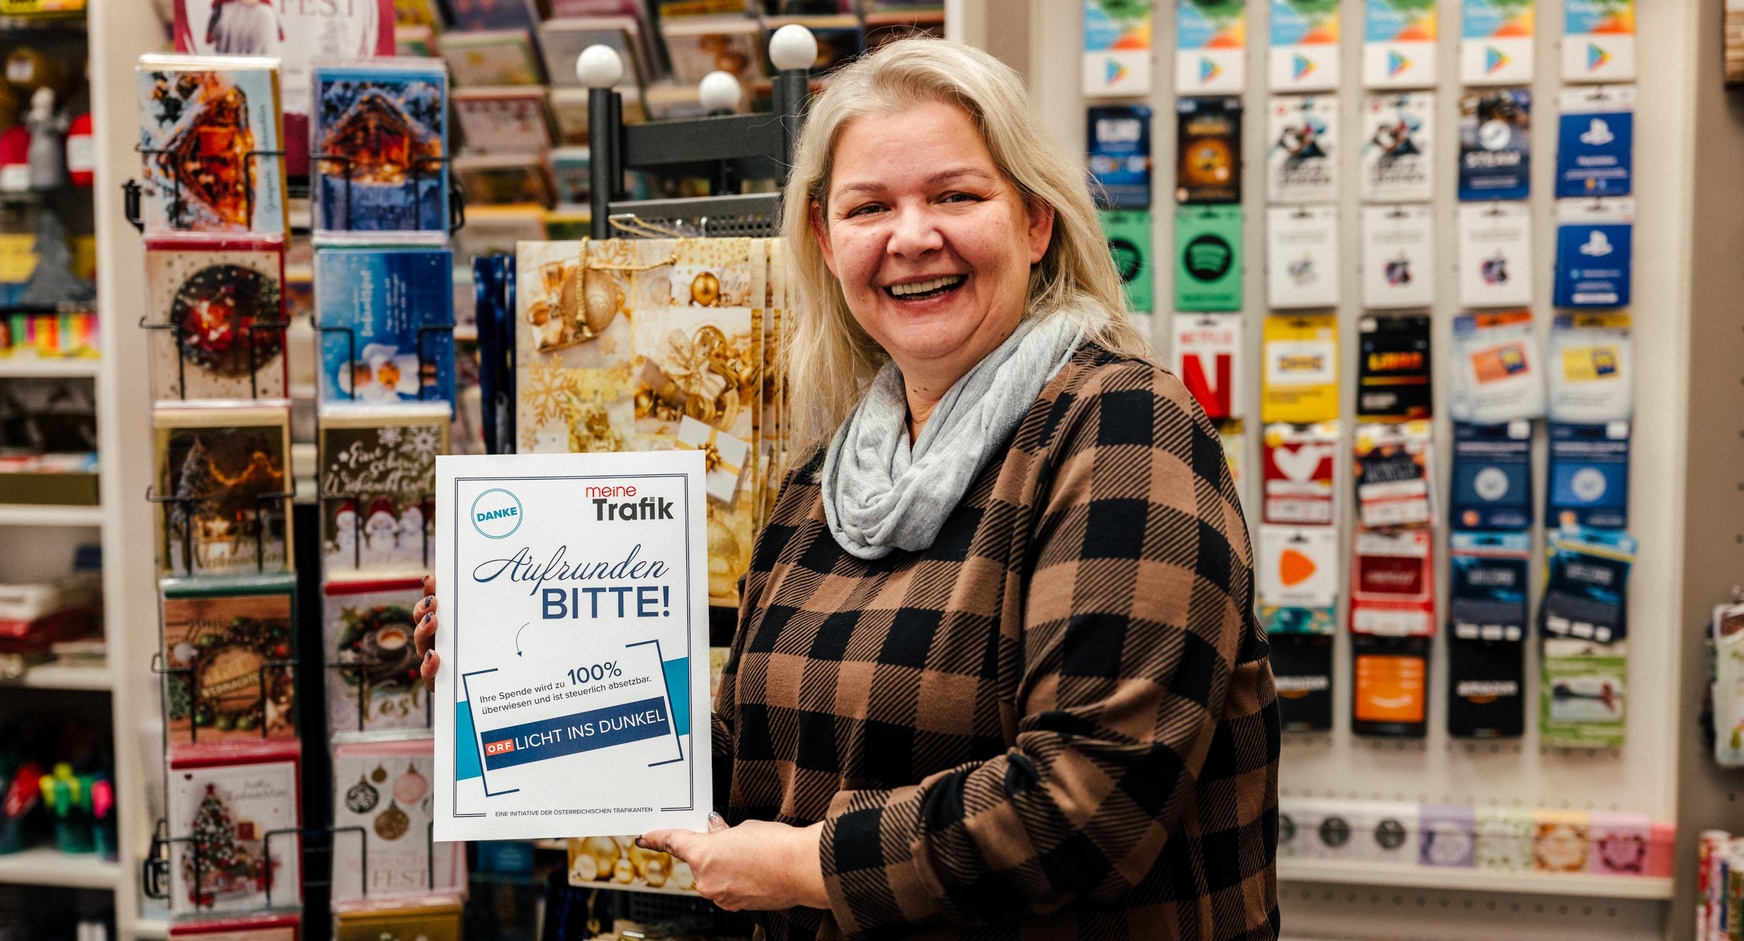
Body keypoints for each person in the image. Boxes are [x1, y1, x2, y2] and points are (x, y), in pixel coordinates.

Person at [416, 37, 1278, 941]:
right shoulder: (822, 480)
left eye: (955, 195)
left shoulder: (1123, 428)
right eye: (871, 207)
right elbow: (754, 762)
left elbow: (1085, 804)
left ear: (1034, 222)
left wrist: (798, 865)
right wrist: (517, 683)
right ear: (827, 242)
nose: (912, 237)